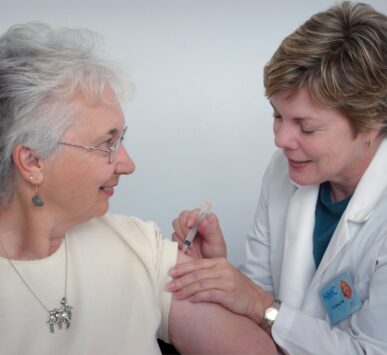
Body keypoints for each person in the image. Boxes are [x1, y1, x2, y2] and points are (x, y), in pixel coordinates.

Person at [0, 22, 277, 355]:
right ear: (32, 162)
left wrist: (212, 282)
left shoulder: (138, 247)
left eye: (121, 139)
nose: (128, 164)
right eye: (106, 144)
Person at [167, 1, 387, 353]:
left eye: (306, 126)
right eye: (277, 115)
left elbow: (373, 350)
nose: (281, 140)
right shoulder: (283, 172)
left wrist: (258, 303)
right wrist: (220, 272)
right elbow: (256, 302)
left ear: (372, 122)